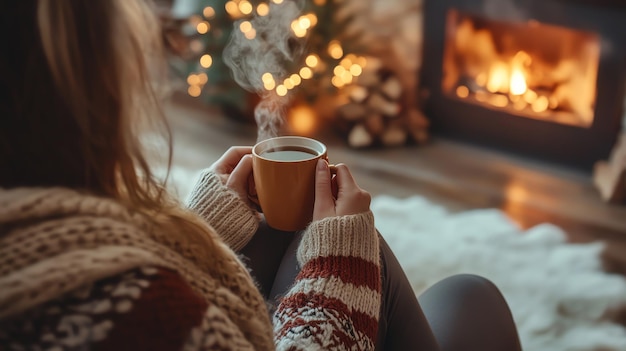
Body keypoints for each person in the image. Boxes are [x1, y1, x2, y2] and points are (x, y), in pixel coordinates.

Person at [0, 1, 522, 350]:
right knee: (472, 298)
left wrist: (197, 235)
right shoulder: (134, 312)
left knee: (283, 231)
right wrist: (338, 275)